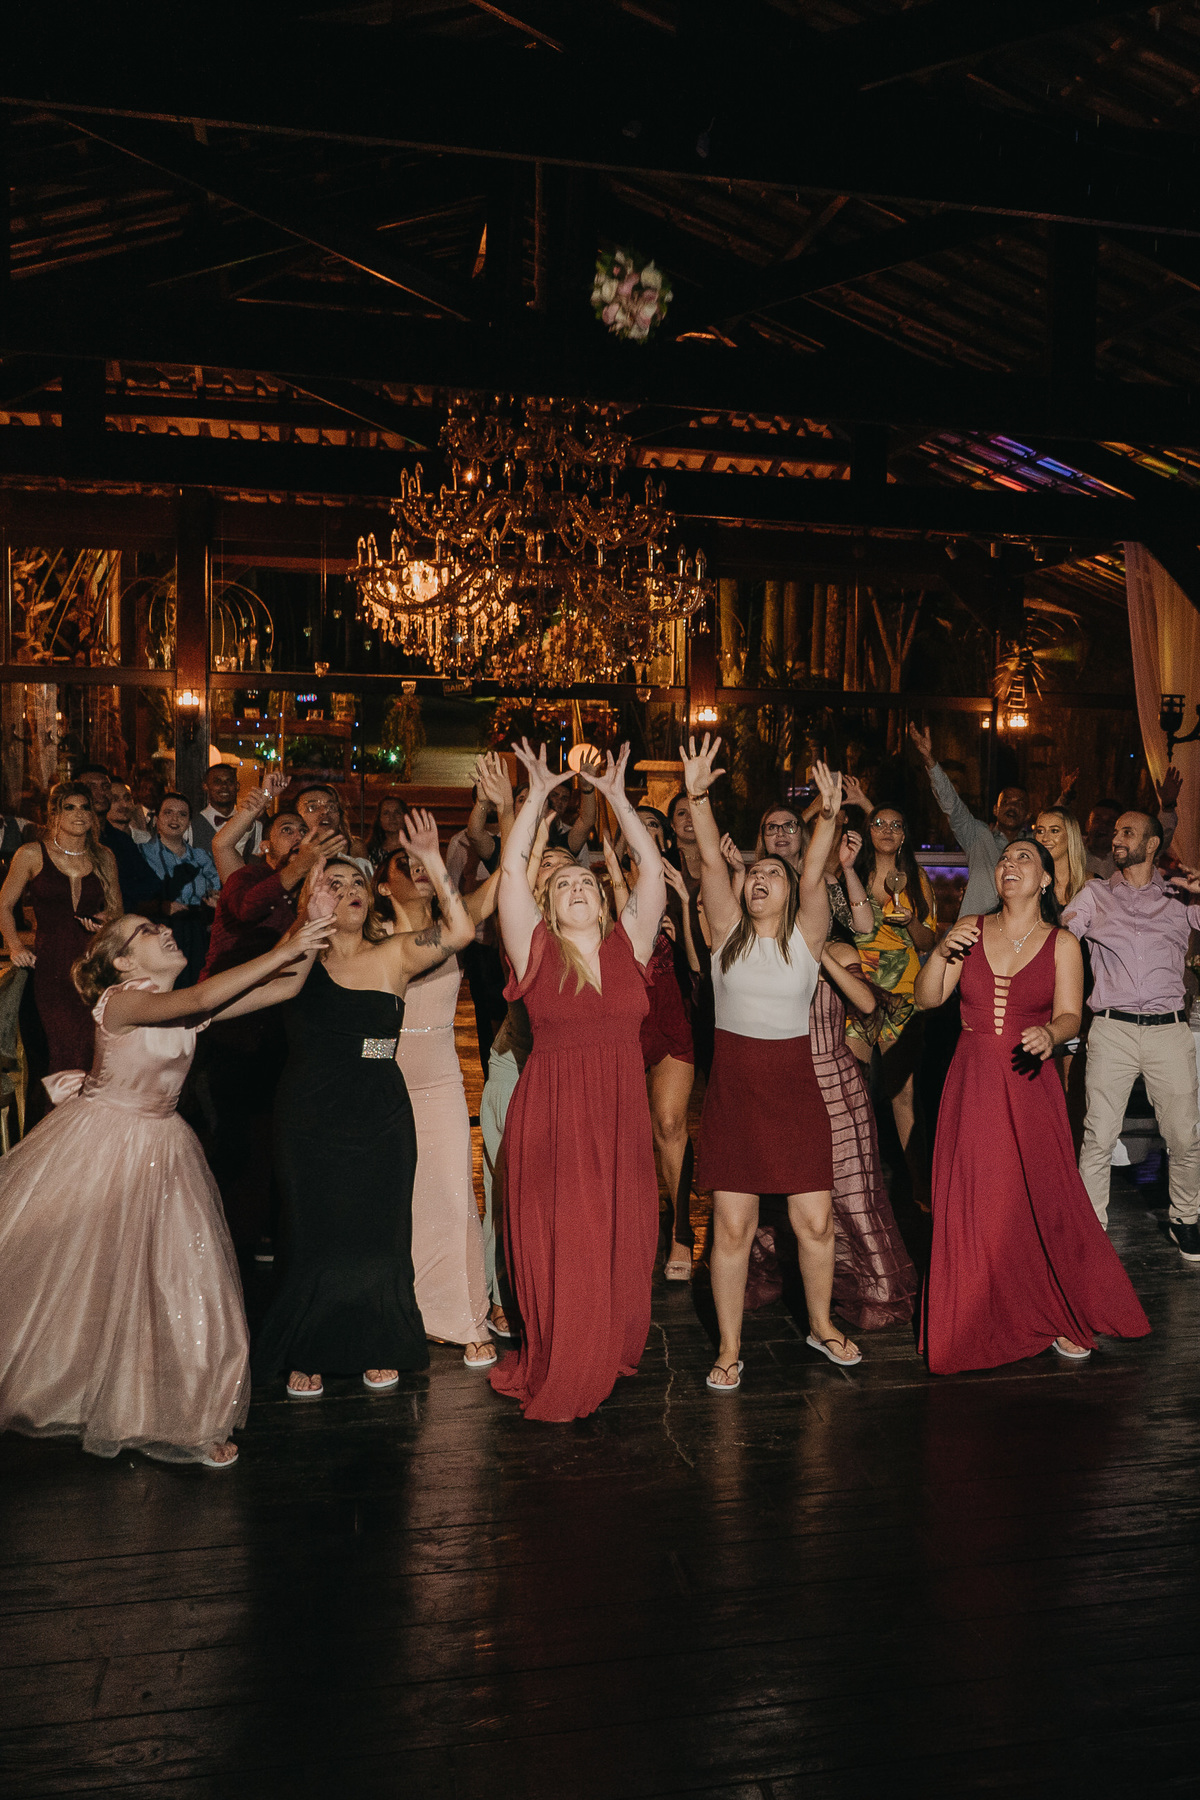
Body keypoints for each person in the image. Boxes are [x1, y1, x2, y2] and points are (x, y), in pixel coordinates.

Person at [0, 903, 333, 1468]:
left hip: (164, 1146)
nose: (166, 933)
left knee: (178, 1282)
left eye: (160, 925)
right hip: (103, 1143)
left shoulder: (177, 1010)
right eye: (147, 932)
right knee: (79, 1275)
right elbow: (203, 997)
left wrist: (310, 920)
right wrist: (282, 948)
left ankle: (184, 1414)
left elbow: (286, 986)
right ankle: (76, 1384)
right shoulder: (124, 1001)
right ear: (124, 960)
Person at [253, 816, 476, 1398]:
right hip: (307, 1114)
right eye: (336, 884)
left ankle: (381, 1339)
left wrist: (432, 858)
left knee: (379, 1232)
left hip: (378, 1108)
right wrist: (307, 916)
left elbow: (459, 933)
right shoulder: (298, 957)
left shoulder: (395, 954)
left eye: (357, 884)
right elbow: (255, 985)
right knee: (312, 1233)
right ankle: (309, 1346)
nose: (350, 891)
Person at [914, 838, 1150, 1372]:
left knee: (1039, 1199)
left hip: (1028, 1083)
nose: (1008, 865)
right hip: (972, 1080)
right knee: (978, 1201)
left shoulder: (1063, 942)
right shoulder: (969, 929)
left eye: (1023, 858)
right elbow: (929, 999)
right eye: (1004, 859)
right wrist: (940, 951)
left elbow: (1071, 1016)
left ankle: (1058, 1308)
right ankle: (977, 1317)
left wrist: (1049, 1032)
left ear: (1045, 879)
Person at [488, 740, 664, 1423]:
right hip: (554, 1115)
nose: (578, 888)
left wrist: (616, 796)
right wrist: (535, 794)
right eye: (564, 885)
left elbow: (650, 867)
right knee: (564, 1238)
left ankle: (607, 1341)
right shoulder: (533, 947)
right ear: (549, 904)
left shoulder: (631, 946)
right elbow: (508, 873)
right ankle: (563, 1353)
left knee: (621, 1233)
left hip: (620, 1114)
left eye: (587, 883)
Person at [681, 736, 857, 1390]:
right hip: (735, 1099)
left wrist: (829, 813)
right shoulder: (725, 933)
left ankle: (821, 1323)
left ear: (789, 892)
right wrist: (698, 796)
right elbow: (708, 858)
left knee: (815, 1221)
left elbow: (815, 873)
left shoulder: (808, 940)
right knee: (732, 1228)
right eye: (753, 873)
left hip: (792, 1096)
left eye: (771, 875)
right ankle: (728, 1348)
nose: (760, 878)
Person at [192, 807, 344, 1253]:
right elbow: (246, 908)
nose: (299, 835)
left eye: (306, 830)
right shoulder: (248, 878)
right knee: (228, 1139)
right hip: (228, 1022)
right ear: (265, 844)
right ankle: (219, 1240)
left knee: (275, 1138)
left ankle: (272, 1235)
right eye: (288, 830)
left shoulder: (319, 890)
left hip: (283, 1028)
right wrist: (298, 867)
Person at [373, 842, 500, 1371]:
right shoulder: (372, 934)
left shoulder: (457, 921)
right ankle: (388, 1320)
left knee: (451, 1194)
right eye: (406, 865)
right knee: (387, 1200)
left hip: (442, 1076)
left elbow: (503, 877)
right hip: (385, 1074)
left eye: (425, 861)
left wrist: (519, 804)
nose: (419, 870)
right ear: (382, 886)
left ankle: (464, 1318)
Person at [1063, 811, 1200, 1259]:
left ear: (1153, 843)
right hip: (1112, 1028)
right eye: (1116, 832)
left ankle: (1186, 1219)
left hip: (1169, 1031)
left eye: (1128, 833)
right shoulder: (1096, 893)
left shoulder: (1180, 896)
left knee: (1184, 1136)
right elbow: (1060, 938)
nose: (1116, 839)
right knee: (1098, 1134)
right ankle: (1091, 1225)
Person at [813, 926, 917, 1331]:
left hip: (836, 1083)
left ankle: (875, 1289)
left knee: (850, 1192)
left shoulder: (836, 949)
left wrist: (818, 951)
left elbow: (868, 1003)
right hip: (788, 1084)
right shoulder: (770, 945)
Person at [0, 783, 122, 1077]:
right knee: (61, 1050)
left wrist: (105, 920)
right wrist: (15, 946)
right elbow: (4, 904)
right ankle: (57, 1119)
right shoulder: (31, 853)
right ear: (54, 813)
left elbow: (118, 911)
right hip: (51, 967)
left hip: (94, 967)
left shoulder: (104, 856)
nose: (79, 814)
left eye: (85, 807)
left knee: (92, 1050)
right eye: (70, 807)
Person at [850, 804, 938, 1206]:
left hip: (904, 992)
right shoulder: (851, 873)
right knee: (850, 1088)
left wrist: (910, 923)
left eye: (895, 824)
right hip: (858, 990)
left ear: (904, 835)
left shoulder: (917, 881)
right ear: (869, 831)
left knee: (902, 1092)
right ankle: (852, 1182)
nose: (887, 830)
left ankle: (918, 1182)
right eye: (879, 823)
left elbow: (927, 943)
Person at [907, 723, 1033, 916]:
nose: (1012, 806)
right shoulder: (978, 836)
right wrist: (929, 759)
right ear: (995, 809)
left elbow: (1057, 831)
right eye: (1006, 801)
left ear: (1028, 814)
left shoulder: (1033, 847)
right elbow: (952, 805)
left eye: (1019, 803)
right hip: (975, 932)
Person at [140, 792, 221, 985]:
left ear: (189, 822)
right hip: (157, 932)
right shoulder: (142, 852)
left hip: (196, 933)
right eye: (168, 812)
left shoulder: (202, 856)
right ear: (157, 818)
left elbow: (216, 889)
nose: (175, 819)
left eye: (182, 814)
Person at [75, 762, 160, 913]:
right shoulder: (74, 838)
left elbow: (151, 884)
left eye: (105, 787)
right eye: (91, 787)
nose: (100, 793)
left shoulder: (122, 839)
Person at [191, 762, 261, 860]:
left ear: (237, 786)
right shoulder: (191, 827)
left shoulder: (256, 826)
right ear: (205, 786)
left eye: (230, 781)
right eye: (217, 781)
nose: (224, 786)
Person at [1034, 806, 1088, 909]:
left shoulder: (1092, 883)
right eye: (1040, 831)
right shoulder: (1031, 883)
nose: (1045, 838)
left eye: (1054, 831)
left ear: (1070, 835)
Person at [365, 794, 408, 868]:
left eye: (397, 812)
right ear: (379, 819)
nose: (392, 817)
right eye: (386, 813)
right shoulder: (370, 851)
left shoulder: (415, 849)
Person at [108, 780, 150, 845]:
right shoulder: (100, 842)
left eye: (127, 798)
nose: (124, 805)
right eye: (115, 799)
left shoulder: (145, 840)